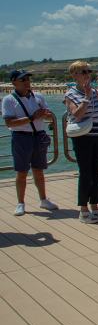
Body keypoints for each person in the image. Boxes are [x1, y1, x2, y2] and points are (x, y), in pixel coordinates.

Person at [2, 70, 59, 216]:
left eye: (27, 79)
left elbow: (47, 116)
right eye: (23, 80)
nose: (27, 82)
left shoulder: (38, 96)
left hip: (38, 135)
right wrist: (32, 118)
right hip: (21, 137)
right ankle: (20, 203)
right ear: (14, 82)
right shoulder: (8, 100)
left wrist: (46, 116)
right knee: (21, 172)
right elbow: (9, 122)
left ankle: (43, 199)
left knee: (39, 170)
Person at [64, 61, 98, 223]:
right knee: (85, 172)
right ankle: (83, 210)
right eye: (83, 71)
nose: (87, 74)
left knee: (96, 172)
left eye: (88, 71)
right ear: (74, 75)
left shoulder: (95, 92)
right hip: (83, 137)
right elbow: (77, 114)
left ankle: (95, 207)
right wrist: (87, 97)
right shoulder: (71, 94)